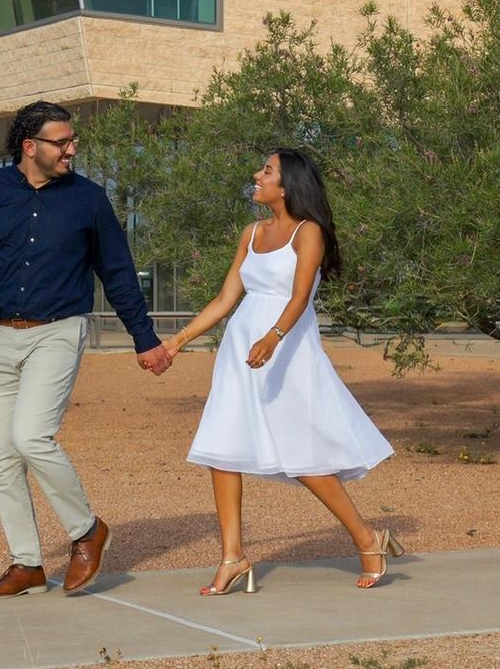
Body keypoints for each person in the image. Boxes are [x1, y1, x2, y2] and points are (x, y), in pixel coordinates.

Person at [0, 100, 174, 600]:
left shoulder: (89, 200)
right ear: (29, 146)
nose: (71, 150)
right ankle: (27, 565)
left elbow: (117, 272)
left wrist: (144, 338)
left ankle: (87, 530)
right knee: (2, 457)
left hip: (57, 331)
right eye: (61, 142)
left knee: (31, 436)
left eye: (72, 141)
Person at [165, 148, 400, 595]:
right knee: (221, 447)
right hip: (241, 351)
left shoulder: (309, 233)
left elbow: (299, 297)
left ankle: (368, 539)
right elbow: (225, 298)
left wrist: (273, 337)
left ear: (287, 185)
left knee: (304, 458)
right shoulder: (251, 232)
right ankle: (232, 557)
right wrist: (177, 343)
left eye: (267, 170)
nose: (257, 175)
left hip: (286, 352)